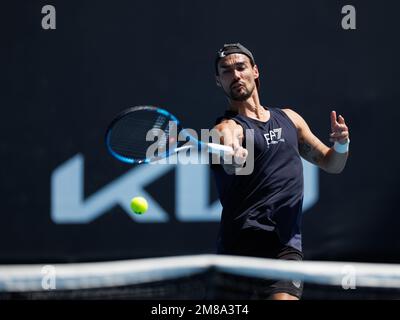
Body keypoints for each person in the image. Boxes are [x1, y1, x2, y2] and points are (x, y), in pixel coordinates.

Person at [211, 43, 350, 300]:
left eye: (240, 67)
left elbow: (333, 164)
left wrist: (341, 144)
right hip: (237, 251)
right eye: (226, 71)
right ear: (219, 81)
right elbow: (228, 148)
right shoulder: (226, 128)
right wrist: (233, 155)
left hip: (284, 248)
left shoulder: (290, 119)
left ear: (255, 71)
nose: (236, 75)